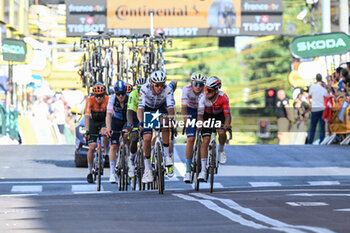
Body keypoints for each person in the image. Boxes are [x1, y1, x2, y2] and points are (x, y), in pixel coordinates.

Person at [137, 71, 175, 183]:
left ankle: (167, 156)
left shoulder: (168, 90)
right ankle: (148, 169)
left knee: (166, 123)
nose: (159, 88)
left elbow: (170, 108)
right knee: (147, 138)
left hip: (160, 108)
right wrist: (141, 122)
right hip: (148, 109)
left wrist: (171, 120)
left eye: (162, 84)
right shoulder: (144, 88)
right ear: (151, 83)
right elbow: (140, 108)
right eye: (157, 85)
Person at [197, 76, 231, 181]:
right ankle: (203, 170)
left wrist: (226, 125)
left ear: (216, 91)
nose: (206, 92)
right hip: (206, 116)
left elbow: (227, 116)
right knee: (206, 140)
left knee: (221, 132)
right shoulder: (202, 97)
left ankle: (221, 149)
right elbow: (200, 116)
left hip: (219, 115)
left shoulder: (223, 97)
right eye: (205, 89)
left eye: (210, 90)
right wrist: (201, 123)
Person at [181, 71, 206, 183]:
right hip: (190, 111)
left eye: (201, 84)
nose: (198, 87)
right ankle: (187, 171)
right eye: (195, 83)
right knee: (191, 139)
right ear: (191, 82)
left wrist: (201, 121)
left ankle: (205, 164)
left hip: (203, 111)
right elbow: (183, 107)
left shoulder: (206, 92)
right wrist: (186, 120)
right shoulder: (186, 89)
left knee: (206, 137)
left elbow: (201, 110)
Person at [85, 83, 109, 183]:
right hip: (93, 122)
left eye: (101, 96)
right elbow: (86, 117)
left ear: (104, 95)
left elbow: (109, 115)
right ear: (94, 95)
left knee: (105, 134)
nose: (99, 98)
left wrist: (108, 128)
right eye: (97, 96)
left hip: (104, 120)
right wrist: (87, 131)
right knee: (92, 147)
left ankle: (106, 153)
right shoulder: (90, 100)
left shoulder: (108, 100)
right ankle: (89, 171)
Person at [106, 80, 129, 183]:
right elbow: (109, 115)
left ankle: (128, 163)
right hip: (116, 121)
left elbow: (132, 114)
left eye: (123, 94)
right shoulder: (112, 99)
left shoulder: (130, 98)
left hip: (127, 120)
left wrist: (129, 127)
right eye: (118, 94)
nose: (120, 96)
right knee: (113, 146)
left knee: (127, 137)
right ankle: (112, 173)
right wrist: (108, 128)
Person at [126, 77, 148, 178]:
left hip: (146, 113)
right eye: (139, 89)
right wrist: (131, 124)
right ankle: (131, 160)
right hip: (135, 114)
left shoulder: (150, 94)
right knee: (134, 137)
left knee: (149, 136)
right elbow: (129, 111)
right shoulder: (133, 94)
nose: (141, 91)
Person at [308, 73, 328, 144]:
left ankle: (310, 141)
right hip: (322, 108)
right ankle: (321, 141)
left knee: (313, 126)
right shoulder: (323, 89)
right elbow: (326, 96)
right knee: (322, 126)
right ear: (321, 79)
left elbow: (309, 96)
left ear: (316, 79)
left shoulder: (312, 87)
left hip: (315, 108)